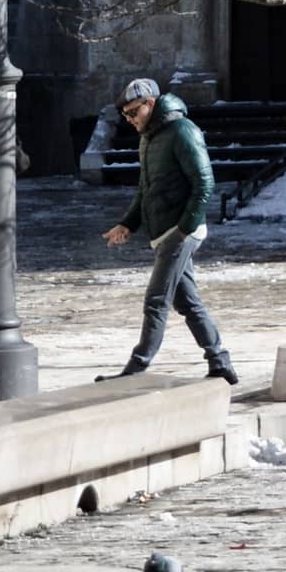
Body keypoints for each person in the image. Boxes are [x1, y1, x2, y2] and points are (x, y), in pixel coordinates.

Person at [101, 78, 237, 383]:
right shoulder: (149, 138)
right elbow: (145, 190)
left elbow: (204, 182)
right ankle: (220, 361)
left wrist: (184, 228)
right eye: (125, 116)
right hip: (163, 232)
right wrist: (127, 224)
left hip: (179, 231)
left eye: (134, 112)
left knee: (156, 299)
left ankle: (137, 367)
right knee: (187, 301)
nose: (130, 119)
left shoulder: (181, 131)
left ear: (150, 104)